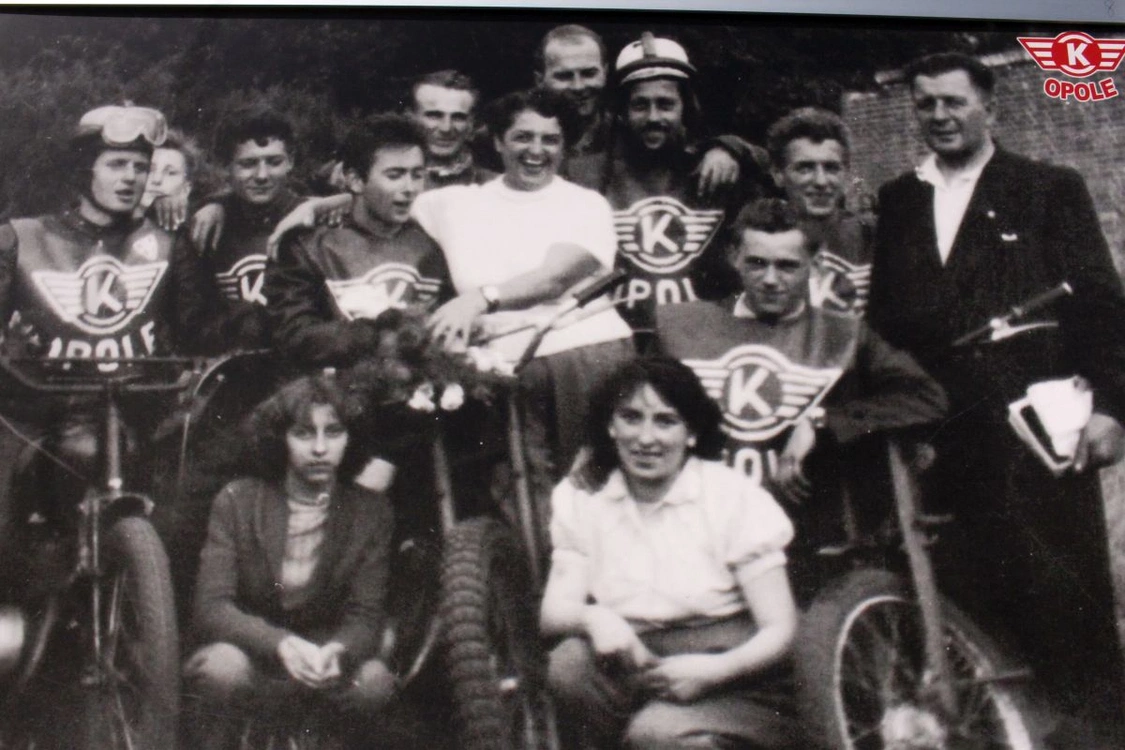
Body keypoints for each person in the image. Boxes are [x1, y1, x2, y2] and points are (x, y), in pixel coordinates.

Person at [868, 51, 1125, 747]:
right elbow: (882, 322)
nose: (939, 115)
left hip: (1032, 433)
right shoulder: (899, 199)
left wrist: (1111, 408)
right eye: (926, 104)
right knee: (964, 602)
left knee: (1060, 598)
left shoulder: (1047, 188)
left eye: (954, 101)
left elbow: (1101, 306)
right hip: (939, 435)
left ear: (990, 106)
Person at [655, 198, 946, 598]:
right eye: (757, 263)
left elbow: (926, 396)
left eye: (787, 266)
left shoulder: (843, 334)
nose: (771, 279)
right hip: (700, 522)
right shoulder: (685, 325)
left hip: (801, 533)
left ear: (814, 263)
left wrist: (821, 420)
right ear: (734, 257)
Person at [0, 104, 220, 592]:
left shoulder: (167, 243)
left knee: (190, 526)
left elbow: (200, 329)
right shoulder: (21, 238)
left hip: (138, 412)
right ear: (85, 170)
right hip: (40, 412)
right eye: (116, 164)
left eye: (141, 166)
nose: (131, 178)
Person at [412, 87, 635, 547]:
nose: (537, 151)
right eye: (522, 137)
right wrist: (315, 206)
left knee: (591, 492)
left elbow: (555, 278)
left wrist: (480, 299)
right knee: (519, 499)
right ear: (497, 141)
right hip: (498, 373)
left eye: (550, 139)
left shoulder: (585, 204)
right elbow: (385, 197)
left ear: (564, 146)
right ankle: (533, 584)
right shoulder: (454, 203)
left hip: (583, 357)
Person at [541, 356, 800, 749]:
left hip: (735, 669)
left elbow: (781, 628)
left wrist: (716, 670)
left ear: (691, 433)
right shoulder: (584, 496)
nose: (646, 439)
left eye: (666, 421)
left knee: (656, 734)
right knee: (568, 666)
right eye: (631, 418)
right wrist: (595, 618)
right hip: (637, 658)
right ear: (611, 426)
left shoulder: (731, 497)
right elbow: (554, 612)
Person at [184, 373, 395, 748]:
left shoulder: (371, 511)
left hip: (322, 660)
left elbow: (366, 615)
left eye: (334, 432)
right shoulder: (238, 500)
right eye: (303, 433)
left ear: (351, 439)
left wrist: (339, 651)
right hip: (253, 655)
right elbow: (212, 608)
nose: (320, 448)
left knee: (375, 681)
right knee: (221, 669)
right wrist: (279, 644)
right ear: (280, 439)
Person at [568, 33, 773, 337]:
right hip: (617, 339)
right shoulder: (589, 174)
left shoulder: (718, 169)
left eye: (665, 104)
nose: (653, 117)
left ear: (685, 108)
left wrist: (735, 148)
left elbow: (778, 175)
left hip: (703, 339)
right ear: (623, 111)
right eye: (640, 105)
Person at [266, 113, 451, 369]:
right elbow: (294, 336)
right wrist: (376, 334)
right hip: (338, 384)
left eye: (417, 175)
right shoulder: (309, 246)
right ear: (355, 180)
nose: (410, 188)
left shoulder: (438, 238)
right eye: (395, 175)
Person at [532, 23, 747, 195]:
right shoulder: (520, 132)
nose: (579, 86)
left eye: (589, 73)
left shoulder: (632, 132)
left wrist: (728, 149)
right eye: (564, 76)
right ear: (539, 80)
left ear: (605, 72)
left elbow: (688, 148)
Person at [192, 106, 305, 350]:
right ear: (226, 167)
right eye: (248, 164)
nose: (262, 175)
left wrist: (326, 205)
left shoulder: (310, 219)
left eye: (274, 162)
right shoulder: (208, 224)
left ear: (291, 161)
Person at [766, 107, 871, 315]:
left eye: (831, 168)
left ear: (847, 174)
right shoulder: (760, 243)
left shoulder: (875, 237)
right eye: (805, 168)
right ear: (778, 174)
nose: (821, 181)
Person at [410, 69, 497, 190]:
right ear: (411, 118)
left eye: (458, 117)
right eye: (434, 116)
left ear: (471, 124)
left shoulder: (494, 186)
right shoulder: (389, 185)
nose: (446, 128)